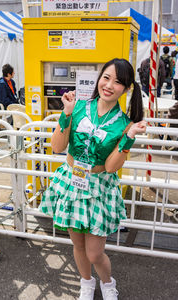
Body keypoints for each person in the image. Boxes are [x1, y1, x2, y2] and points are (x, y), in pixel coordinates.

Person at [39, 58, 146, 300]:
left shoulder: (123, 123)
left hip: (99, 187)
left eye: (118, 82)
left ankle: (107, 283)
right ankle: (86, 283)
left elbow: (110, 167)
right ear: (99, 79)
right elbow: (57, 146)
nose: (109, 85)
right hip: (72, 182)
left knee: (95, 253)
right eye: (106, 78)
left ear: (127, 89)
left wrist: (129, 137)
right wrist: (66, 113)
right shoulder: (77, 107)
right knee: (77, 245)